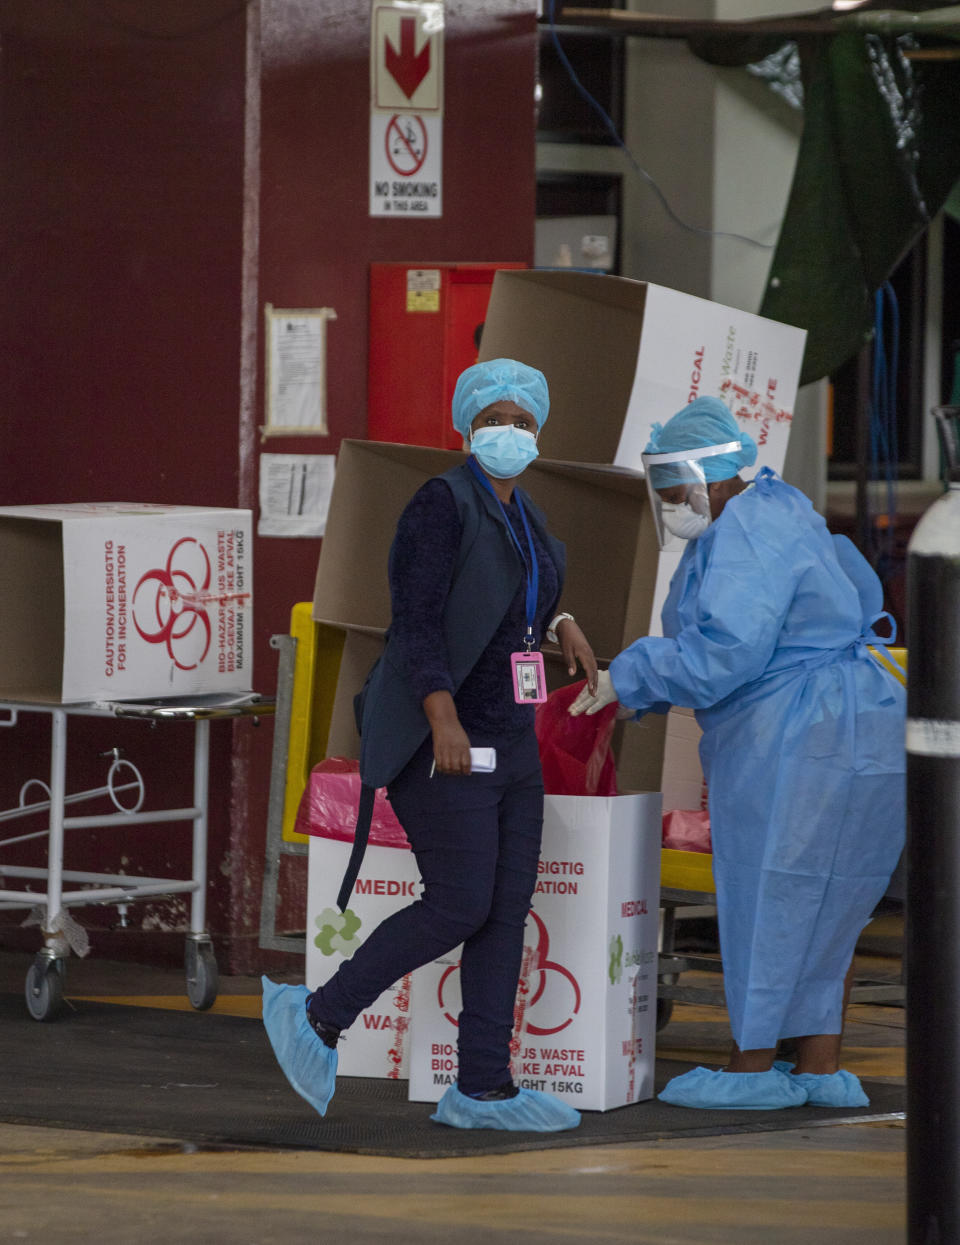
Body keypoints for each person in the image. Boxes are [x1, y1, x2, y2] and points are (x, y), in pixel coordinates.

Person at [263, 358, 597, 1132]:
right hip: (440, 740)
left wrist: (559, 623)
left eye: (522, 419)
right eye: (495, 417)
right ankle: (319, 1012)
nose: (509, 431)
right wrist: (441, 716)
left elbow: (517, 596)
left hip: (510, 743)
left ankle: (481, 1085)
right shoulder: (440, 505)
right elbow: (414, 620)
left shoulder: (526, 512)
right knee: (459, 901)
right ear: (467, 422)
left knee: (505, 910)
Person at [570, 396, 906, 1111]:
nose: (668, 505)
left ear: (712, 476)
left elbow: (725, 653)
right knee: (833, 903)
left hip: (794, 736)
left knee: (771, 894)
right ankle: (819, 1068)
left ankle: (750, 1068)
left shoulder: (743, 536)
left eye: (671, 488)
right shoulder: (780, 509)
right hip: (861, 727)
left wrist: (623, 677)